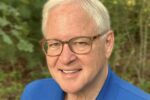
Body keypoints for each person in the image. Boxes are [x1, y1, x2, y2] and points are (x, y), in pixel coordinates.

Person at [21, 0, 150, 100]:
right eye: (55, 44)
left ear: (107, 43)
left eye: (80, 43)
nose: (66, 59)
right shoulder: (35, 93)